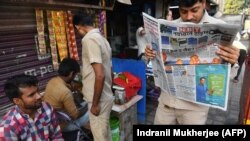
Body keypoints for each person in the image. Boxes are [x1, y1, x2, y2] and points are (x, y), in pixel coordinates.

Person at [145, 0, 240, 124]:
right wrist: (150, 54)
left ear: (204, 3)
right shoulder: (167, 27)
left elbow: (229, 76)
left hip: (195, 110)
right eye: (184, 11)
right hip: (166, 104)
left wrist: (232, 62)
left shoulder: (220, 28)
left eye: (194, 10)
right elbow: (153, 61)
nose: (189, 17)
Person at [73, 11, 114, 141]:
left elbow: (100, 75)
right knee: (105, 133)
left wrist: (95, 103)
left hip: (98, 99)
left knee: (100, 136)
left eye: (77, 29)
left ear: (79, 26)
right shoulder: (103, 39)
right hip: (106, 95)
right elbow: (110, 71)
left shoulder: (89, 39)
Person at [0, 74, 63, 140]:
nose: (39, 96)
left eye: (38, 91)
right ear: (17, 101)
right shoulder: (8, 128)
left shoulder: (46, 108)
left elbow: (56, 135)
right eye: (31, 95)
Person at [43, 58, 89, 132]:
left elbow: (70, 88)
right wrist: (90, 105)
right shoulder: (65, 92)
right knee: (92, 109)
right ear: (71, 73)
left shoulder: (52, 81)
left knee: (84, 105)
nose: (74, 77)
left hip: (51, 122)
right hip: (63, 126)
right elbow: (75, 115)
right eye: (75, 75)